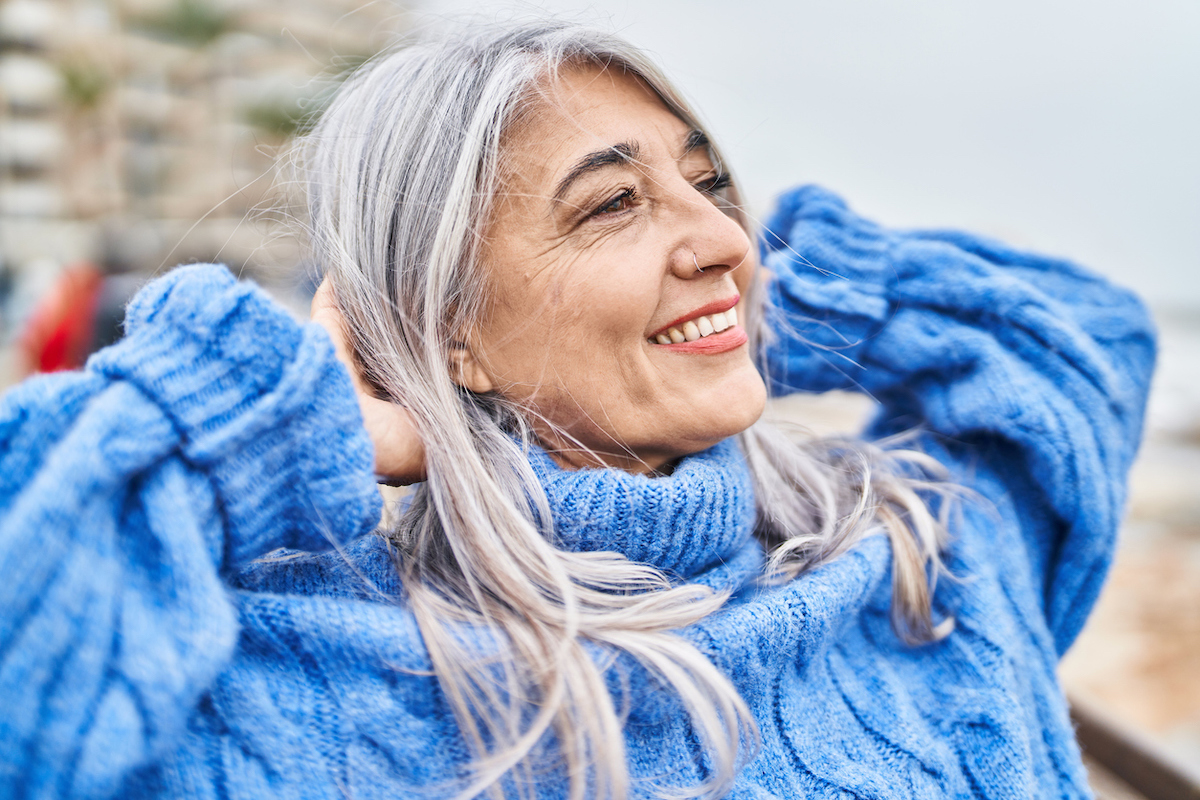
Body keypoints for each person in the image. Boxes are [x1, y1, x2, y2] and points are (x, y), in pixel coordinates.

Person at [0, 21, 1154, 800]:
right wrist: (276, 431)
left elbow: (1084, 342)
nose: (721, 237)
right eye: (611, 205)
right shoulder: (299, 673)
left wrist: (784, 310)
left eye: (704, 183)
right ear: (451, 327)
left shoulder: (914, 556)